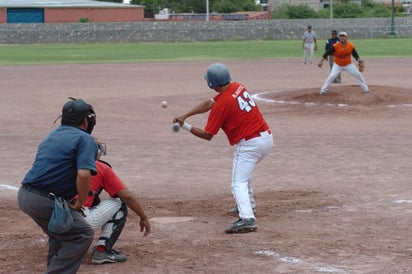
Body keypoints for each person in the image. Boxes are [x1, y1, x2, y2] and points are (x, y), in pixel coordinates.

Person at [173, 63, 273, 234]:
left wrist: (185, 126)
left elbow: (208, 135)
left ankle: (247, 218)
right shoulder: (237, 86)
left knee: (237, 183)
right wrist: (185, 115)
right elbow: (209, 103)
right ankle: (249, 205)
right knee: (244, 175)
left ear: (212, 84)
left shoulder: (222, 104)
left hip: (249, 144)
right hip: (266, 138)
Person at [18, 98, 98, 274]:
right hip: (45, 200)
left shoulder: (53, 134)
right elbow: (84, 174)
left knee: (60, 235)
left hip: (26, 195)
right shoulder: (84, 138)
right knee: (82, 233)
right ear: (85, 121)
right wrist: (80, 201)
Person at [80, 138, 151, 265]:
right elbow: (127, 196)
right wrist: (143, 217)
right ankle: (102, 250)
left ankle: (59, 245)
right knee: (119, 202)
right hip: (80, 220)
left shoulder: (63, 164)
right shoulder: (100, 167)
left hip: (53, 219)